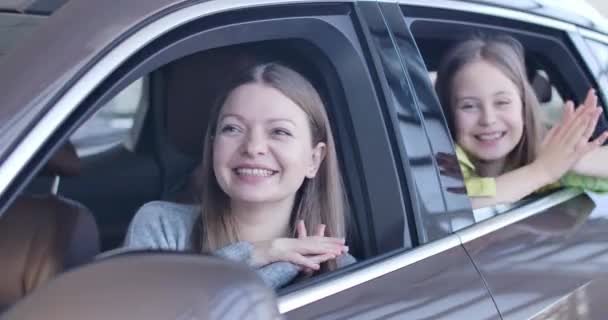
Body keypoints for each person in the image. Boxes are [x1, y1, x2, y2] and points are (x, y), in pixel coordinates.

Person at [123, 62, 355, 288]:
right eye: (233, 128)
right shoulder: (162, 227)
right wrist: (257, 253)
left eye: (279, 132)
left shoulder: (342, 272)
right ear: (213, 146)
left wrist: (282, 262)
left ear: (314, 159)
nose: (253, 147)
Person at [434, 34, 608, 209]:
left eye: (502, 102)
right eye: (469, 106)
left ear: (524, 107)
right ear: (448, 111)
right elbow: (453, 204)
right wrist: (542, 171)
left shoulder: (544, 151)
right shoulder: (438, 161)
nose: (488, 119)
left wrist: (571, 157)